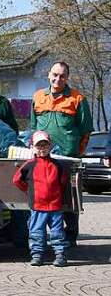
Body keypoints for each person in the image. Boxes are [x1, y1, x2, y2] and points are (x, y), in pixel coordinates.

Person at [31, 61, 92, 245]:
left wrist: (76, 155)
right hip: (44, 159)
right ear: (48, 75)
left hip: (67, 159)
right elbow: (33, 127)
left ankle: (70, 237)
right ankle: (50, 236)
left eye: (62, 76)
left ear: (67, 78)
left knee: (70, 200)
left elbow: (85, 130)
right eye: (55, 75)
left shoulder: (77, 98)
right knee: (45, 196)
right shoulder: (38, 96)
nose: (58, 79)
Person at [13, 131, 71, 267]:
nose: (42, 149)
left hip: (55, 206)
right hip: (38, 206)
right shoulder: (29, 165)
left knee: (57, 232)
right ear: (32, 147)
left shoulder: (57, 165)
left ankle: (60, 255)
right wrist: (30, 191)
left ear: (50, 146)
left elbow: (63, 181)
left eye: (45, 145)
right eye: (39, 146)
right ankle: (37, 256)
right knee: (36, 232)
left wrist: (56, 193)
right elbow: (17, 180)